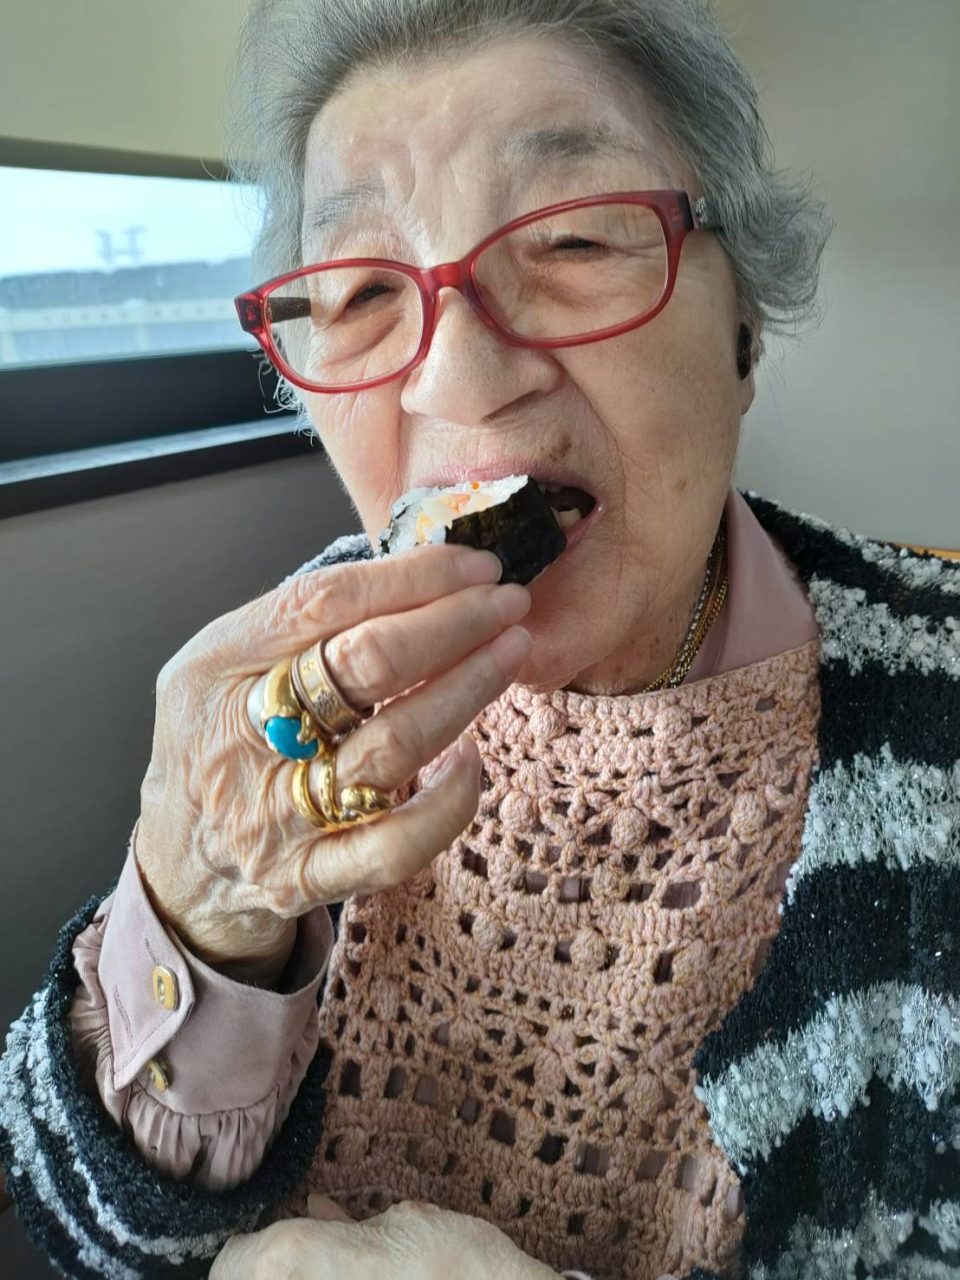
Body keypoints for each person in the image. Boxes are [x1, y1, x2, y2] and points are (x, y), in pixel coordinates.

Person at [2, 0, 958, 1277]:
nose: (456, 379)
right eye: (357, 292)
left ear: (744, 326)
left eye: (571, 238)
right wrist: (197, 909)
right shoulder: (289, 680)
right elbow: (83, 1229)